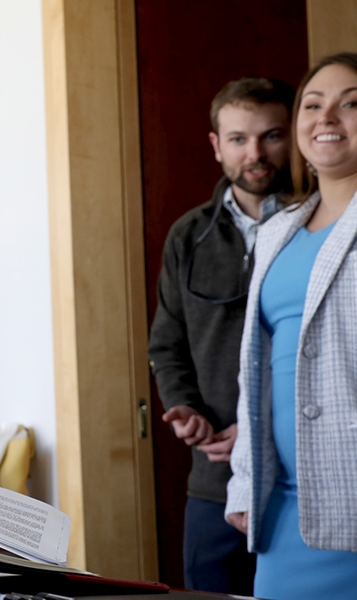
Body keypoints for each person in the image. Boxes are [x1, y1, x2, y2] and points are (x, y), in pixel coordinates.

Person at [147, 77, 294, 594]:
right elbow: (166, 343)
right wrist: (185, 409)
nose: (255, 154)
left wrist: (260, 432)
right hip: (212, 479)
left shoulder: (324, 226)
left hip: (299, 474)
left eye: (271, 136)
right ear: (216, 145)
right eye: (238, 139)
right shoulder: (188, 235)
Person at [225, 52, 357, 599]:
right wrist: (244, 482)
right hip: (283, 508)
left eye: (351, 104)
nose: (327, 118)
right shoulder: (278, 231)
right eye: (313, 104)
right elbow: (253, 373)